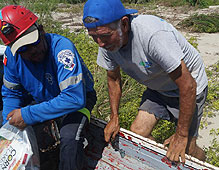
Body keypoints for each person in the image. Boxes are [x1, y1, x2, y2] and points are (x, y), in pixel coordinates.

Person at [82, 0, 208, 163]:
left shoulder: (152, 35)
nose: (101, 43)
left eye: (105, 36)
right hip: (158, 88)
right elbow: (113, 78)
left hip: (189, 87)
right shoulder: (106, 42)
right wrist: (114, 116)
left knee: (187, 148)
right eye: (94, 37)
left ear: (124, 24)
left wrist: (182, 135)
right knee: (138, 133)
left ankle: (201, 160)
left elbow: (188, 85)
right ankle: (161, 163)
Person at [0, 5, 97, 170]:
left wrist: (27, 114)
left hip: (78, 101)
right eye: (23, 49)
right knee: (2, 126)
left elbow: (74, 99)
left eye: (33, 42)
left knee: (70, 139)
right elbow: (12, 94)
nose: (32, 51)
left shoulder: (62, 50)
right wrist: (10, 124)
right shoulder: (11, 57)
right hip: (44, 98)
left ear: (41, 30)